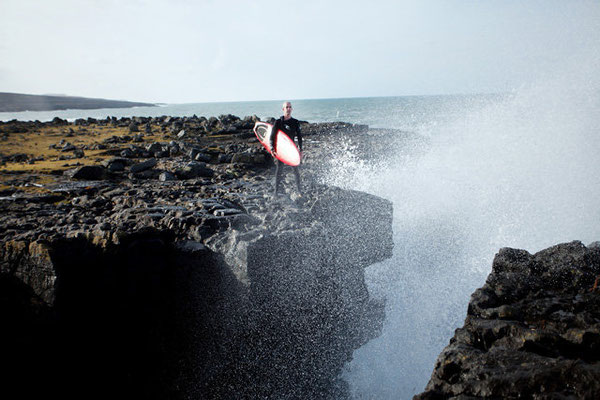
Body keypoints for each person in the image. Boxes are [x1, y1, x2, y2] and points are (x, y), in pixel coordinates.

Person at [269, 101, 303, 195]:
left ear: (292, 109)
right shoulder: (278, 122)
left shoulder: (295, 122)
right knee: (279, 169)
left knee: (296, 170)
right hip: (281, 149)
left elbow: (299, 137)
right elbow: (272, 137)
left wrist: (300, 150)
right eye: (286, 107)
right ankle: (276, 192)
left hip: (292, 149)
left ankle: (299, 191)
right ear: (283, 109)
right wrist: (272, 148)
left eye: (290, 107)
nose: (288, 109)